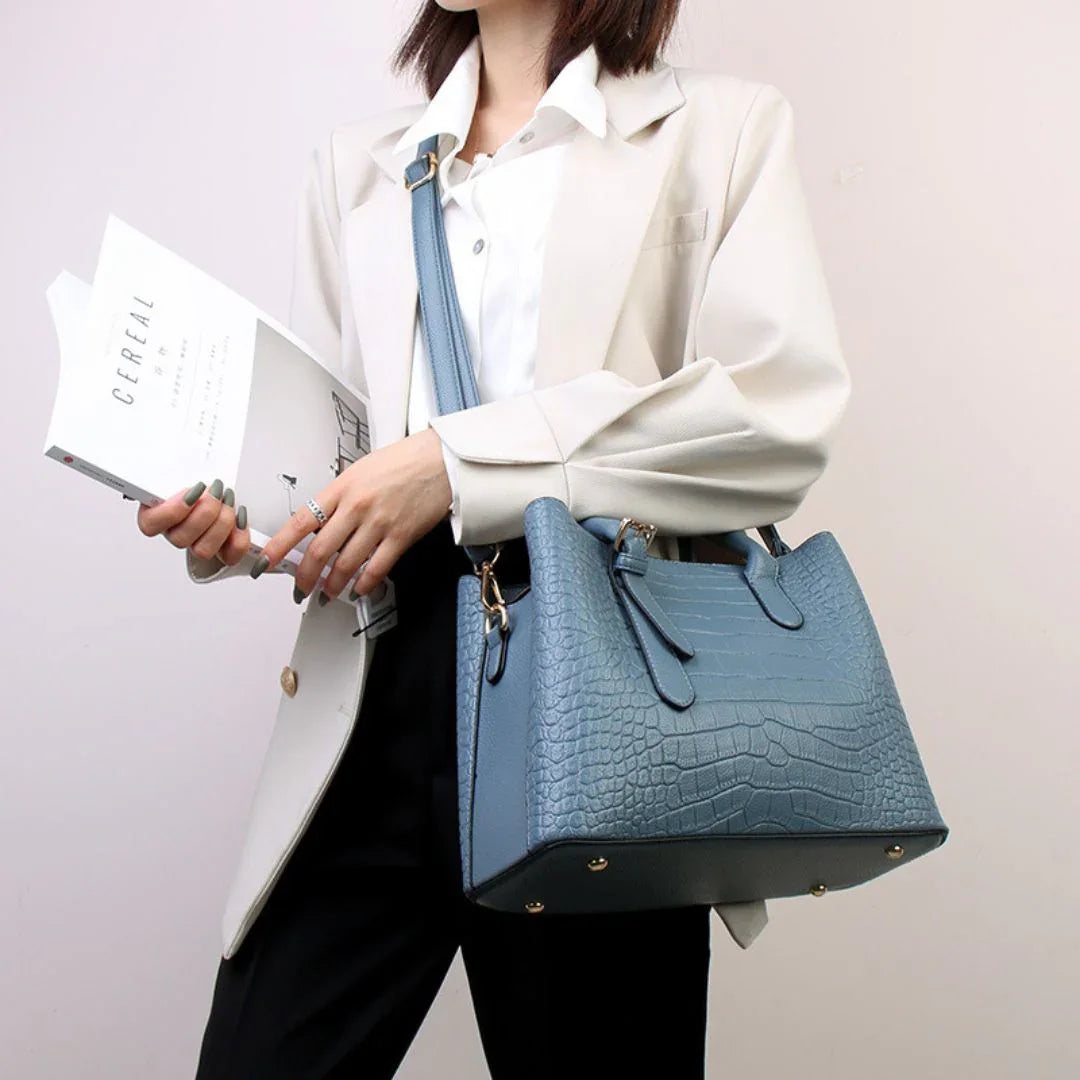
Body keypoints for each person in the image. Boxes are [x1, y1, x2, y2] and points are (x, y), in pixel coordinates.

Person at [136, 1, 851, 1076]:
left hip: (599, 697)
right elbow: (336, 461)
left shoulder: (720, 131)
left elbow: (771, 420)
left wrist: (457, 464)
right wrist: (243, 528)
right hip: (377, 681)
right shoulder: (362, 167)